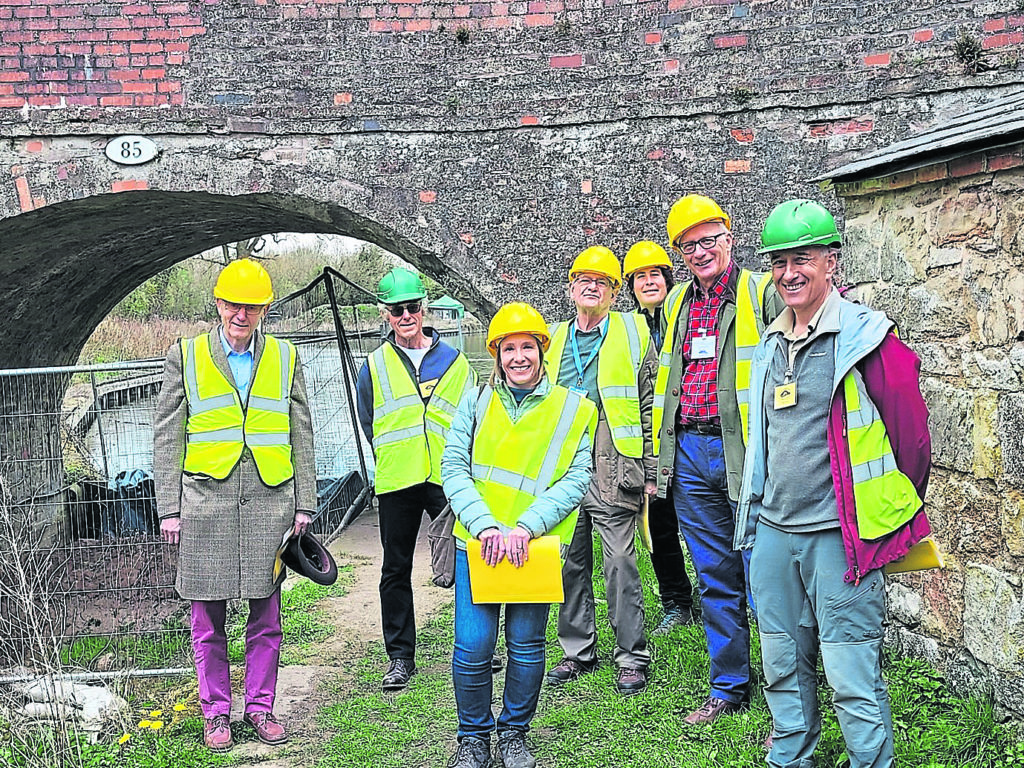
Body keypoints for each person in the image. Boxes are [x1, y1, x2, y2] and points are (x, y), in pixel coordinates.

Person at [736, 199, 931, 768]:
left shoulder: (869, 338)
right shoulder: (771, 342)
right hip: (774, 531)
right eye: (778, 262)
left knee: (850, 671)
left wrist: (888, 510)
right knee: (780, 661)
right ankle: (790, 755)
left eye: (802, 259)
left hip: (840, 537)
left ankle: (871, 761)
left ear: (831, 263)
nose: (789, 272)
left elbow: (911, 438)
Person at [155, 258, 315, 752]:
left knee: (267, 615)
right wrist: (169, 507)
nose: (240, 314)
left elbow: (302, 432)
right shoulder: (186, 354)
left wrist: (304, 503)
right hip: (206, 502)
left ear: (264, 308)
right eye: (232, 303)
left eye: (251, 305)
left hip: (271, 501)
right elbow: (167, 434)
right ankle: (216, 713)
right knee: (207, 617)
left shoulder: (287, 358)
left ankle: (260, 708)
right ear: (218, 304)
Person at [441, 302, 596, 768]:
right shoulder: (474, 401)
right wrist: (484, 524)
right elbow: (453, 467)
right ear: (497, 354)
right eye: (509, 348)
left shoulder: (573, 409)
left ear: (542, 351)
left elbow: (576, 476)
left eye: (527, 346)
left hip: (535, 546)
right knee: (473, 645)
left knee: (526, 645)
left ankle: (513, 733)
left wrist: (527, 527)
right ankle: (473, 737)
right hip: (479, 543)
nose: (519, 357)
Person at [652, 194, 784, 724]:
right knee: (714, 576)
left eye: (711, 239)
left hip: (747, 451)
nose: (702, 250)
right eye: (690, 244)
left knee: (766, 575)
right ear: (680, 252)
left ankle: (785, 691)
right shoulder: (679, 302)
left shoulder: (762, 292)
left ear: (730, 237)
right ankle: (729, 687)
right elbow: (665, 382)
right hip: (690, 451)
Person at [544, 246, 658, 696]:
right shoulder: (551, 338)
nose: (591, 287)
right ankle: (578, 651)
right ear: (571, 287)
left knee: (620, 563)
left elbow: (650, 402)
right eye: (583, 279)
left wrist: (650, 468)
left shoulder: (633, 332)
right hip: (565, 459)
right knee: (570, 561)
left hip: (615, 458)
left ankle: (631, 656)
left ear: (615, 291)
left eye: (603, 281)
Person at [356, 267, 476, 691]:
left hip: (449, 475)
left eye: (412, 307)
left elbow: (473, 418)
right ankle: (400, 657)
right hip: (398, 477)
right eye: (396, 310)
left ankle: (478, 643)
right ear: (385, 314)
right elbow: (369, 421)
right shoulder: (373, 365)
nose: (405, 315)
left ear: (424, 308)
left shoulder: (457, 362)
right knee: (395, 568)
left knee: (469, 559)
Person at [623, 240, 696, 635]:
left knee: (709, 521)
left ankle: (721, 591)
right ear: (630, 285)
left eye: (655, 274)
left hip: (693, 433)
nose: (648, 282)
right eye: (640, 277)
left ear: (668, 278)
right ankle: (677, 602)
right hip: (654, 445)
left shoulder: (686, 314)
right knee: (661, 524)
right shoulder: (627, 331)